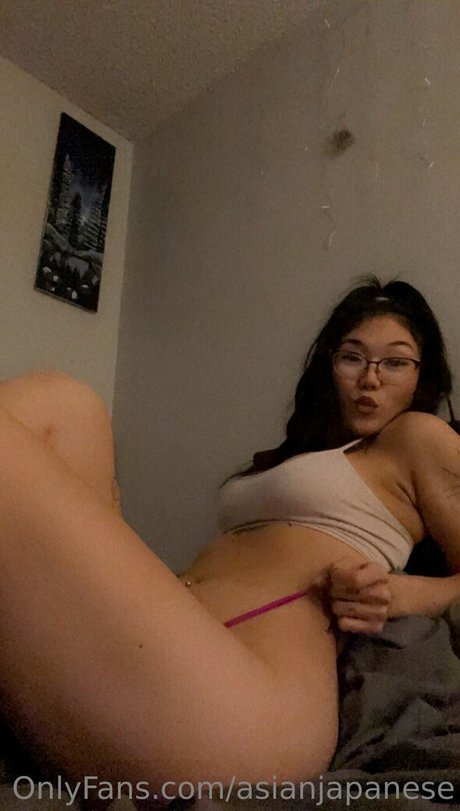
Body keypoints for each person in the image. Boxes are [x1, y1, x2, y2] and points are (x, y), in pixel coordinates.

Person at [0, 277, 459, 804]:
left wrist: (398, 593)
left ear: (423, 374)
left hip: (251, 700)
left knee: (54, 411)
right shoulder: (306, 456)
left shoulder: (417, 437)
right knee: (72, 411)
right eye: (353, 357)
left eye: (395, 362)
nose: (370, 378)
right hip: (172, 658)